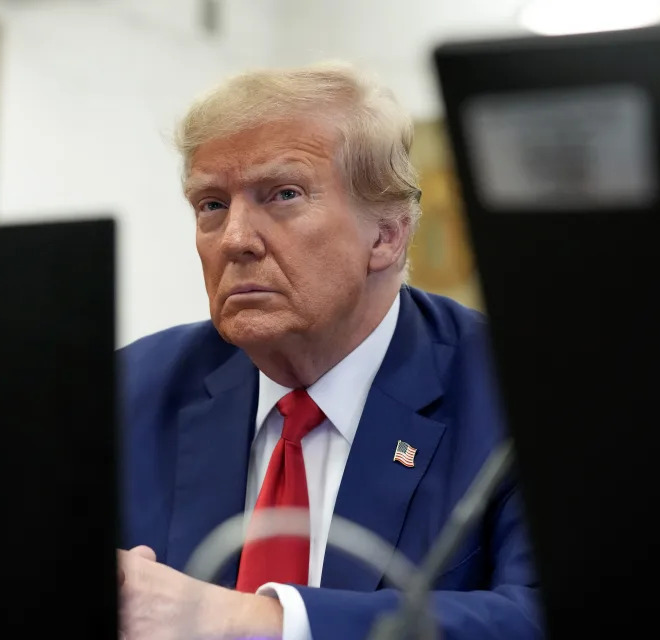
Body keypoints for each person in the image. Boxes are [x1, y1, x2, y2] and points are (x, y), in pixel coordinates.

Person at [118, 62, 541, 640]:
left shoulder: (515, 386)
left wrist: (264, 621)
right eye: (212, 204)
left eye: (283, 194)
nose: (236, 238)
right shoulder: (129, 390)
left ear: (387, 233)